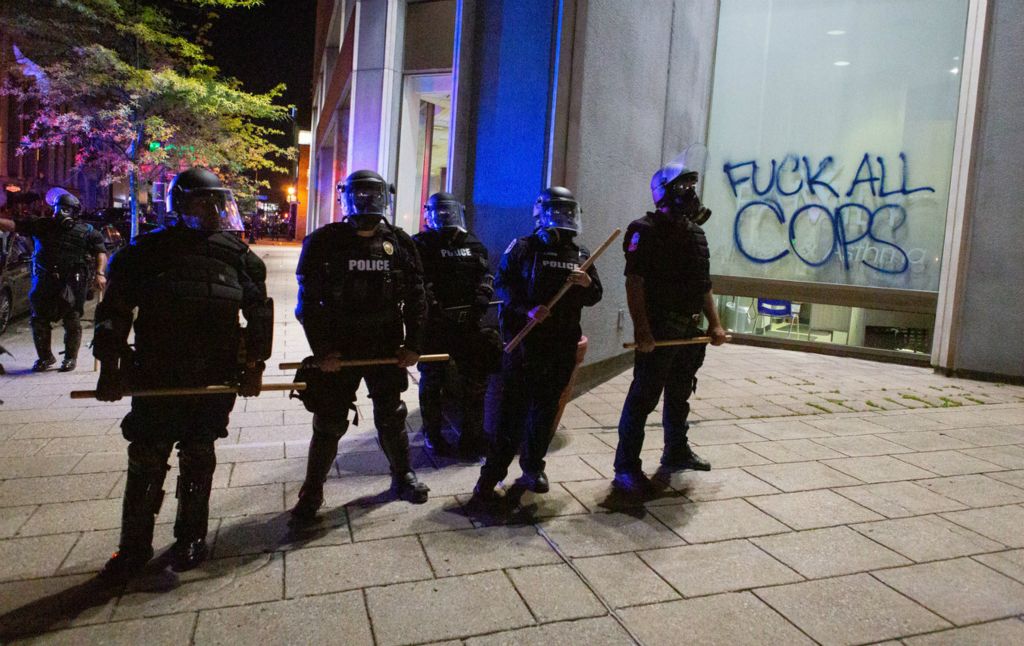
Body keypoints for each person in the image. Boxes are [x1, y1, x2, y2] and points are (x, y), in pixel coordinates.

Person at [92, 167, 273, 579]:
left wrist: (254, 365)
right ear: (181, 205)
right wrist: (110, 368)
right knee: (147, 459)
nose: (214, 211)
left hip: (213, 376)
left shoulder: (238, 257)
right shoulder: (144, 253)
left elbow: (259, 314)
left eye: (218, 203)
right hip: (158, 372)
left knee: (199, 456)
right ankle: (133, 546)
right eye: (204, 202)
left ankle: (191, 536)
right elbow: (114, 313)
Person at [290, 169, 429, 528]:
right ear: (346, 198)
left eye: (374, 195)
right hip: (339, 346)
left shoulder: (399, 242)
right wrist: (322, 352)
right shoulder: (323, 242)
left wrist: (412, 344)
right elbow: (308, 304)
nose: (367, 202)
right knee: (330, 422)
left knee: (391, 414)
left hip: (384, 342)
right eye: (360, 195)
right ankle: (312, 492)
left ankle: (402, 476)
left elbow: (417, 298)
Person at [474, 187, 602, 499]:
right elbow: (502, 284)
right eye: (557, 211)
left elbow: (596, 295)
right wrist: (527, 308)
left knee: (545, 413)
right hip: (525, 346)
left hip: (561, 348)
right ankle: (491, 475)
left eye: (567, 212)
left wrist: (587, 283)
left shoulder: (581, 255)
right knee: (511, 414)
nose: (562, 218)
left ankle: (533, 467)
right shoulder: (522, 248)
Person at [612, 150, 728, 494]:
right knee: (643, 398)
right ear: (664, 191)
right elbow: (635, 283)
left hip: (689, 331)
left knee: (680, 395)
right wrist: (642, 330)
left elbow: (704, 285)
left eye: (692, 185)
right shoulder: (643, 231)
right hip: (660, 329)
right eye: (683, 186)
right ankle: (626, 467)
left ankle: (676, 451)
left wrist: (715, 324)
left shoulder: (696, 233)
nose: (690, 192)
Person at [412, 192, 496, 459]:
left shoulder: (473, 244)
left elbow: (486, 274)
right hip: (435, 326)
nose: (444, 217)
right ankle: (432, 435)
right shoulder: (422, 244)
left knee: (474, 383)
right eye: (439, 213)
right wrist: (432, 305)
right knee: (432, 382)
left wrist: (483, 294)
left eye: (448, 212)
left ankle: (472, 436)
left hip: (468, 325)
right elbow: (417, 280)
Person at [0, 190, 107, 371]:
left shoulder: (87, 232)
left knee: (72, 318)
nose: (61, 213)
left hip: (72, 281)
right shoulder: (42, 225)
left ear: (74, 212)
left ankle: (70, 358)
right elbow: (13, 225)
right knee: (39, 320)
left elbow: (100, 252)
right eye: (59, 209)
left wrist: (99, 272)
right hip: (44, 280)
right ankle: (45, 357)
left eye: (66, 209)